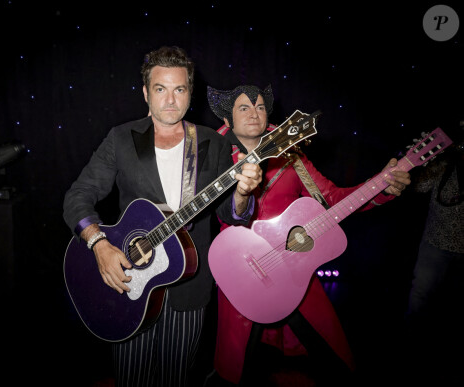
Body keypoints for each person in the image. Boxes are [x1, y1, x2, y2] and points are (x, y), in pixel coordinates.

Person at [62, 46, 262, 387]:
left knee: (177, 380)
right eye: (160, 89)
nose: (170, 100)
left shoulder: (212, 143)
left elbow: (233, 214)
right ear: (145, 93)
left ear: (190, 94)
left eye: (179, 89)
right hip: (128, 286)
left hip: (188, 287)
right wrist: (99, 245)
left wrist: (243, 193)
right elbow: (77, 197)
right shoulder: (121, 138)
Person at [204, 84, 412, 386]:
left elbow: (332, 198)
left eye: (261, 107)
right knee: (234, 372)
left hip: (291, 269)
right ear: (228, 120)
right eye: (244, 108)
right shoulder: (215, 157)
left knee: (338, 363)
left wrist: (381, 186)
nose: (255, 113)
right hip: (239, 271)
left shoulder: (291, 157)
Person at [403, 123, 463, 385]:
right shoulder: (446, 164)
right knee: (419, 300)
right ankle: (410, 355)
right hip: (435, 244)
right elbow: (416, 186)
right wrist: (417, 164)